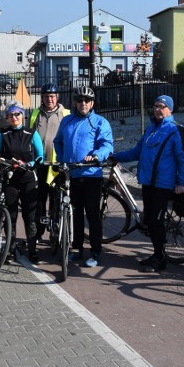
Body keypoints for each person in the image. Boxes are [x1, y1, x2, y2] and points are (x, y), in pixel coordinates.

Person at [112, 95, 184, 273]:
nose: (157, 110)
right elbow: (137, 151)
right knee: (151, 221)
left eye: (161, 106)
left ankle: (160, 258)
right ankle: (156, 254)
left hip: (163, 183)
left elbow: (183, 158)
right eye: (155, 106)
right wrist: (116, 156)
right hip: (148, 182)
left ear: (170, 109)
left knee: (156, 221)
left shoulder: (175, 129)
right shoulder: (151, 129)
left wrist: (182, 182)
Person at [53, 86, 114, 268]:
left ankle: (95, 251)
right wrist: (63, 160)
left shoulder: (100, 122)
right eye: (80, 100)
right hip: (72, 173)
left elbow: (107, 145)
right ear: (75, 103)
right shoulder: (67, 121)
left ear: (92, 103)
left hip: (91, 175)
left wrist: (96, 155)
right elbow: (58, 142)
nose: (83, 104)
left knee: (93, 215)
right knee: (76, 214)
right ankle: (77, 248)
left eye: (87, 100)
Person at [0, 104, 45, 262]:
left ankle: (33, 250)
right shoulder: (3, 134)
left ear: (23, 116)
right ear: (7, 117)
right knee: (11, 216)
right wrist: (0, 161)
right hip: (10, 179)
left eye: (17, 114)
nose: (14, 117)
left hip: (28, 178)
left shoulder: (31, 133)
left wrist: (31, 164)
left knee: (30, 216)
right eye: (10, 115)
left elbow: (40, 155)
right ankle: (11, 250)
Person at [30, 83, 71, 241]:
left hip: (57, 164)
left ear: (57, 97)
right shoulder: (35, 114)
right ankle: (39, 232)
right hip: (40, 163)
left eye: (52, 96)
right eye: (46, 96)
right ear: (42, 98)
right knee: (39, 199)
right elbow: (30, 137)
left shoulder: (66, 114)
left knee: (56, 198)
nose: (49, 99)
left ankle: (55, 231)